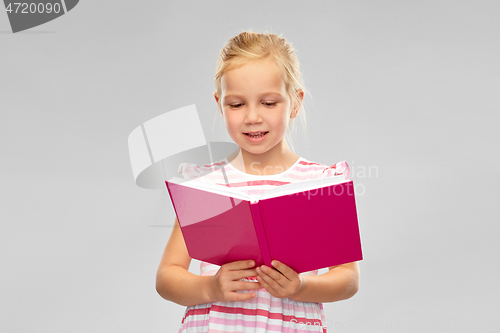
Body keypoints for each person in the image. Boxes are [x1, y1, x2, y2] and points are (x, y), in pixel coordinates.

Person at [156, 30, 360, 333]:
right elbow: (167, 277)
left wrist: (301, 286)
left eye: (268, 102)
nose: (252, 117)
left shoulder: (319, 184)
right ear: (219, 103)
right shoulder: (205, 184)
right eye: (236, 105)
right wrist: (210, 287)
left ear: (295, 102)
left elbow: (348, 278)